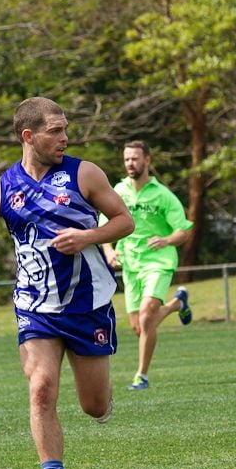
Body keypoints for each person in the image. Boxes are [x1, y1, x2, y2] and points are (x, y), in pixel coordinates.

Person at [0, 97, 134, 469]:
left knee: (93, 406)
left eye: (65, 128)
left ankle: (104, 401)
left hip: (87, 305)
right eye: (55, 130)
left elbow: (124, 221)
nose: (64, 137)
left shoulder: (84, 174)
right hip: (34, 307)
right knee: (41, 390)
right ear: (28, 136)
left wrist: (87, 237)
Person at [99, 141, 194, 392]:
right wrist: (109, 250)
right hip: (130, 263)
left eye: (135, 158)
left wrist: (166, 240)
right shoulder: (117, 191)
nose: (130, 163)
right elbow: (103, 226)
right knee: (139, 326)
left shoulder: (163, 195)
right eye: (127, 159)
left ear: (147, 161)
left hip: (158, 262)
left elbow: (183, 230)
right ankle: (176, 304)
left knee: (147, 314)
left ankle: (141, 376)